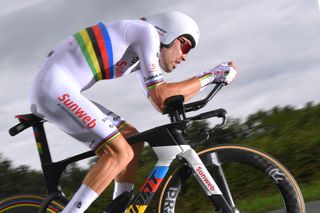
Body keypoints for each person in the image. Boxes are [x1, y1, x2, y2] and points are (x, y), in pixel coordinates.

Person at [29, 11, 237, 212]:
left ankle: (119, 208)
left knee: (132, 139)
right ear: (169, 33)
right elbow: (162, 96)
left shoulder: (138, 53)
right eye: (185, 46)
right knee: (120, 152)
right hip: (54, 88)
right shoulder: (145, 32)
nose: (184, 57)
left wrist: (209, 78)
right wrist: (210, 76)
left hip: (56, 87)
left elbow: (161, 103)